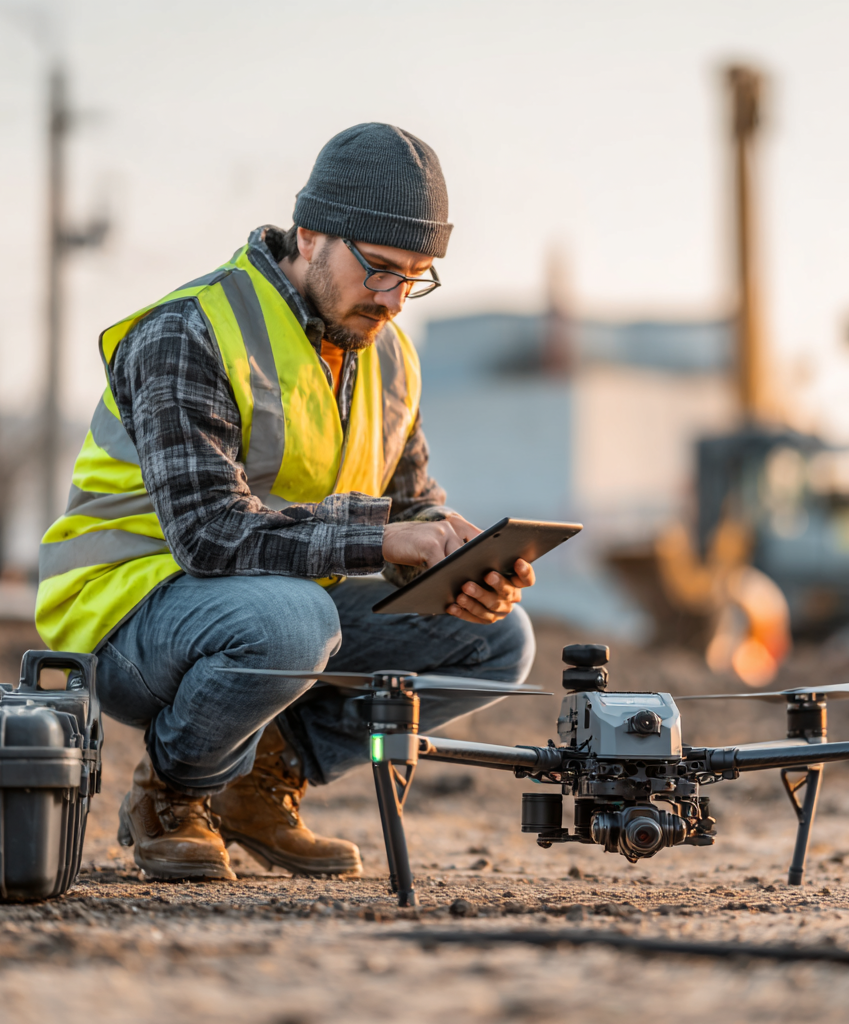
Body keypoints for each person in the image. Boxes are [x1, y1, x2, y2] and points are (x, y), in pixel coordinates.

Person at [35, 123, 536, 881]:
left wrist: (456, 559)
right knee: (295, 620)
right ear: (309, 235)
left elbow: (411, 501)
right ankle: (173, 793)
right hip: (129, 615)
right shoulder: (190, 330)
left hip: (288, 613)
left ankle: (260, 784)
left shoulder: (390, 356)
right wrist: (382, 540)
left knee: (497, 643)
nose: (394, 299)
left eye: (417, 276)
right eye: (379, 270)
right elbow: (209, 535)